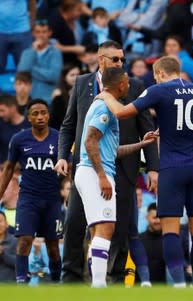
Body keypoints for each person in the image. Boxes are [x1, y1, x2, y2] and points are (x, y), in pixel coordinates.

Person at [97, 55, 193, 287]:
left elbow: (122, 113)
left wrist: (105, 96)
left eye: (155, 76)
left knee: (170, 230)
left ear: (161, 74)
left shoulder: (159, 90)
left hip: (172, 168)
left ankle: (180, 286)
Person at [54, 40, 159, 284]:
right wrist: (62, 156)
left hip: (119, 167)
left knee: (116, 229)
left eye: (123, 59)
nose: (121, 64)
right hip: (92, 168)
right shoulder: (85, 86)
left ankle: (111, 281)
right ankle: (72, 281)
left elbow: (146, 125)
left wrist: (152, 165)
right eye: (115, 60)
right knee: (76, 225)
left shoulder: (134, 85)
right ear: (101, 60)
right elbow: (71, 126)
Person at [74, 67, 158, 288]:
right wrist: (102, 176)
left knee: (97, 231)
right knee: (106, 228)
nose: (129, 86)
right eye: (127, 82)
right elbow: (90, 141)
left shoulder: (103, 106)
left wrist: (142, 144)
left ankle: (96, 283)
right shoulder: (105, 106)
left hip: (90, 171)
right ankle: (99, 285)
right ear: (120, 84)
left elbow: (111, 150)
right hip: (95, 173)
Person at [0, 99, 63, 283]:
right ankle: (21, 282)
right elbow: (9, 168)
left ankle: (56, 282)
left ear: (49, 115)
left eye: (43, 112)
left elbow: (69, 166)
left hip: (52, 199)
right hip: (28, 199)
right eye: (35, 113)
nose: (40, 116)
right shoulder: (19, 140)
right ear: (28, 117)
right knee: (25, 240)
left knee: (53, 247)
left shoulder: (59, 138)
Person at [17, 19, 63, 104]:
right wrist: (33, 50)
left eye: (44, 32)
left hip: (48, 99)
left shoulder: (56, 53)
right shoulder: (27, 52)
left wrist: (31, 69)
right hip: (28, 99)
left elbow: (54, 76)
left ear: (49, 33)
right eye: (38, 32)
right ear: (33, 33)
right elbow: (22, 73)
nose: (41, 35)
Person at [139, 203, 166, 284]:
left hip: (165, 289)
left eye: (160, 218)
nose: (157, 221)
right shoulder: (138, 241)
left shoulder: (169, 241)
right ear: (147, 217)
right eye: (154, 218)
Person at [0, 95, 31, 165]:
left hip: (24, 170)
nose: (0, 114)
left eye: (2, 110)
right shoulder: (1, 124)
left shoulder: (29, 126)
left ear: (13, 108)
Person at [0, 211, 17, 282]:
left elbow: (20, 263)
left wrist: (3, 254)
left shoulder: (15, 241)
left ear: (7, 224)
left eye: (0, 221)